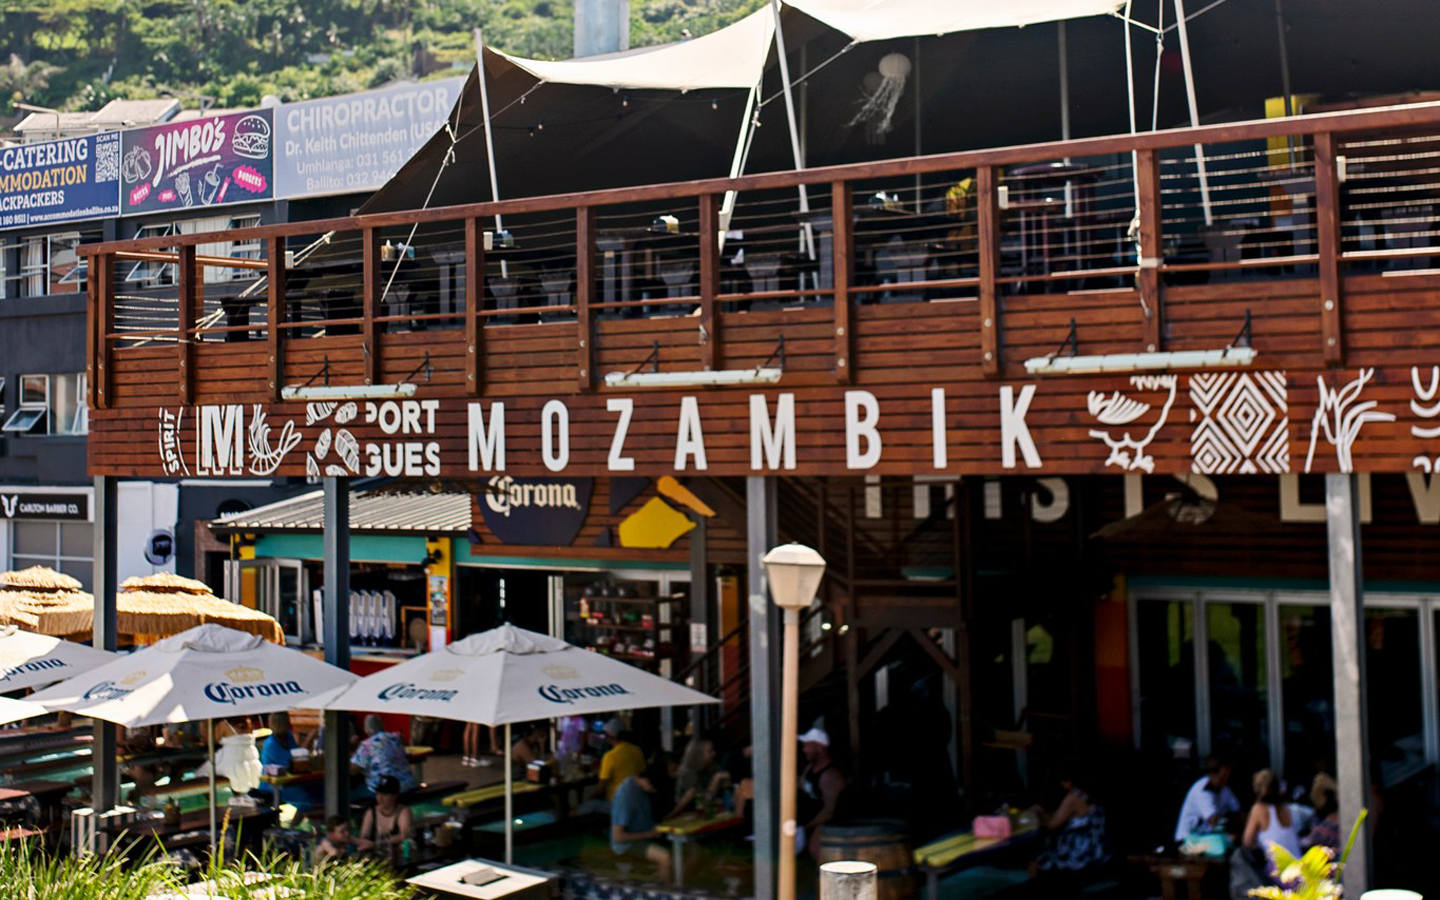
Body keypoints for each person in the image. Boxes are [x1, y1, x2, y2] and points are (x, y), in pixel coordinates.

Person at [1032, 771, 1110, 879]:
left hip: (1079, 855)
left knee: (1035, 862)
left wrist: (1036, 814)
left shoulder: (1073, 798)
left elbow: (1052, 825)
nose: (1062, 785)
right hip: (1097, 851)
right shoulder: (1089, 794)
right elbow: (1063, 816)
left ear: (1069, 782)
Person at [611, 760, 672, 881]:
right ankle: (665, 893)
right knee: (664, 857)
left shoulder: (642, 788)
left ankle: (668, 881)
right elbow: (618, 836)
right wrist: (650, 834)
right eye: (654, 788)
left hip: (646, 835)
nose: (654, 791)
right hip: (627, 844)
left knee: (691, 849)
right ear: (648, 781)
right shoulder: (626, 793)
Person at [798, 728, 847, 857]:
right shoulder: (809, 769)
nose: (804, 750)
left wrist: (804, 828)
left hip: (827, 822)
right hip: (808, 820)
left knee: (815, 847)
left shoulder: (831, 775)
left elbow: (829, 813)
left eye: (808, 745)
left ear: (820, 747)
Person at [1243, 769, 1303, 869]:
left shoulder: (1258, 809)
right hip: (1299, 867)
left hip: (1280, 873)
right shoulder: (1286, 808)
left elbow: (1247, 842)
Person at [1174, 755, 1241, 843]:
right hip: (1187, 841)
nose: (1228, 776)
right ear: (1218, 772)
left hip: (1207, 838)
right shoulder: (1202, 790)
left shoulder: (1225, 789)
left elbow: (1237, 812)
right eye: (1225, 773)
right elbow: (1214, 821)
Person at [351, 714, 419, 795]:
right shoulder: (395, 738)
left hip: (385, 790)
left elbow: (354, 769)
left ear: (366, 729)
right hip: (408, 785)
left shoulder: (368, 744)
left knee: (348, 794)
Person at [667, 736, 718, 819]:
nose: (714, 753)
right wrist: (716, 779)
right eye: (710, 751)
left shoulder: (706, 770)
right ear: (698, 754)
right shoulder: (688, 775)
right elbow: (706, 802)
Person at [360, 775, 415, 852]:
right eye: (378, 794)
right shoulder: (371, 813)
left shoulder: (403, 811)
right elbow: (363, 837)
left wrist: (376, 843)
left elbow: (404, 836)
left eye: (385, 795)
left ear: (395, 796)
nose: (380, 798)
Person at [598, 723, 646, 803]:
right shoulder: (637, 750)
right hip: (636, 798)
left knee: (587, 806)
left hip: (616, 802)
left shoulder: (610, 756)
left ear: (610, 736)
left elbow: (601, 789)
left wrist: (589, 798)